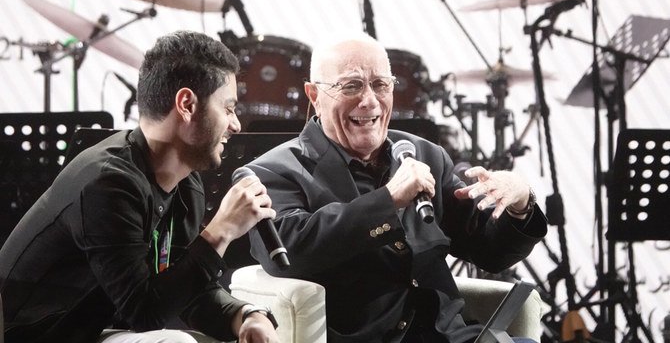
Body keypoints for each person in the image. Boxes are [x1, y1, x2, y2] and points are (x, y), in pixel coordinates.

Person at [245, 35, 548, 343]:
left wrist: (520, 203)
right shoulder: (270, 172)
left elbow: (489, 252)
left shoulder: (425, 155)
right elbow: (287, 253)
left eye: (381, 85)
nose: (370, 101)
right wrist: (387, 201)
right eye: (351, 86)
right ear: (314, 95)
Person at [0, 31, 280, 343]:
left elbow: (186, 290)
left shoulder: (186, 185)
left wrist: (245, 317)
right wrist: (221, 230)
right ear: (187, 104)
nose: (236, 124)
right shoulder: (109, 182)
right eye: (228, 108)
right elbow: (144, 313)